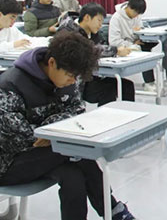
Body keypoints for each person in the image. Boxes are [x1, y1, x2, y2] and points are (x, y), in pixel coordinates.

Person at [0, 31, 136, 220]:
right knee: (78, 152)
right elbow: (19, 136)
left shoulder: (65, 77)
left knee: (73, 177)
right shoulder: (10, 85)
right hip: (8, 162)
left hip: (45, 155)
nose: (73, 81)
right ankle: (114, 211)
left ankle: (113, 211)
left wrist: (50, 133)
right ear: (52, 63)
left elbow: (77, 110)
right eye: (70, 76)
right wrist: (55, 134)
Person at [59, 2, 135, 105]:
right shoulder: (69, 32)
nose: (100, 25)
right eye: (99, 20)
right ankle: (105, 115)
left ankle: (129, 113)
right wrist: (115, 50)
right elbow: (87, 50)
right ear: (87, 17)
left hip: (91, 76)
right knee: (108, 90)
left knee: (126, 86)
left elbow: (99, 47)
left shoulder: (93, 32)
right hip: (73, 82)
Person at [109, 0, 158, 90]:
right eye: (136, 13)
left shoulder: (137, 16)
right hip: (123, 47)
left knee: (151, 43)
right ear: (129, 7)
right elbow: (114, 41)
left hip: (136, 43)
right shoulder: (116, 18)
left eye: (139, 14)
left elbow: (139, 29)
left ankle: (149, 82)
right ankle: (149, 82)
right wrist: (132, 43)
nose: (137, 16)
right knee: (145, 51)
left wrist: (141, 35)